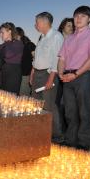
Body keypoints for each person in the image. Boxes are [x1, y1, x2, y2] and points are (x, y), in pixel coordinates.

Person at [58, 6, 90, 150]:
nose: (78, 19)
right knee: (69, 111)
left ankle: (84, 142)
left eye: (83, 16)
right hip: (67, 76)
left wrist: (76, 74)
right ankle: (71, 139)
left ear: (89, 19)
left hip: (83, 75)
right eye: (76, 16)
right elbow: (62, 58)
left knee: (84, 110)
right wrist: (60, 74)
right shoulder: (69, 38)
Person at [30, 12, 64, 142]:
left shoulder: (56, 36)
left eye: (37, 22)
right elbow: (37, 57)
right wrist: (33, 71)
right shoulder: (42, 37)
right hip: (38, 73)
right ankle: (41, 131)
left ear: (45, 22)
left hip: (48, 74)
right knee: (37, 104)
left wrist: (51, 78)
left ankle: (57, 135)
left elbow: (57, 58)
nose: (35, 25)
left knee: (49, 105)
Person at [0, 22, 24, 94]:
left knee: (10, 97)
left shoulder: (18, 43)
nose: (1, 35)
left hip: (13, 74)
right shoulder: (3, 45)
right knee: (0, 95)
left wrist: (4, 44)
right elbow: (0, 59)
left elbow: (8, 54)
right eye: (0, 33)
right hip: (2, 73)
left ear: (9, 31)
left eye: (2, 32)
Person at [16, 27, 36, 96]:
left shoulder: (29, 45)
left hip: (27, 75)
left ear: (18, 35)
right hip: (17, 75)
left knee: (23, 96)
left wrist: (32, 73)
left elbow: (36, 58)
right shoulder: (16, 46)